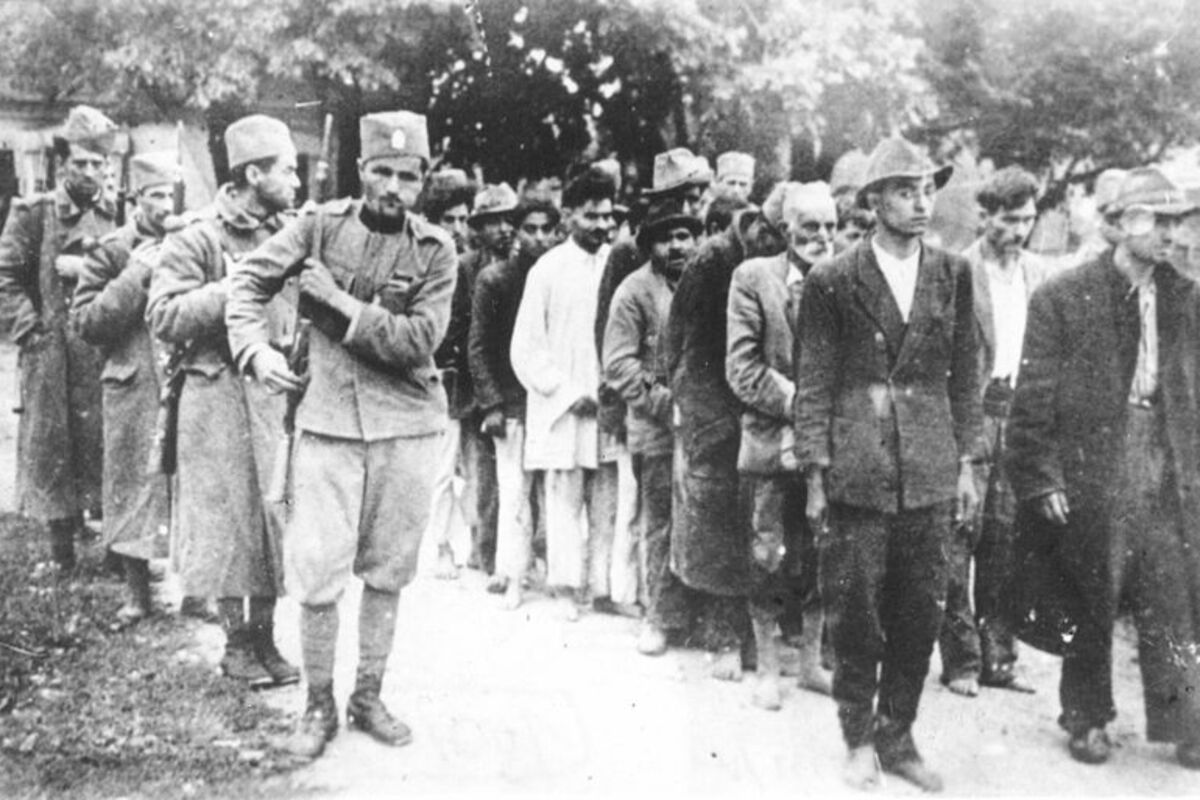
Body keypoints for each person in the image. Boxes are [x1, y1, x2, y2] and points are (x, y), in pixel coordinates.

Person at [226, 110, 456, 758]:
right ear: (360, 171)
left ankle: (368, 696)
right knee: (319, 572)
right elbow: (246, 283)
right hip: (327, 424)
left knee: (388, 571)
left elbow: (417, 340)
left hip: (406, 427)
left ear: (422, 180)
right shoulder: (318, 226)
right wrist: (254, 350)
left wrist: (336, 301)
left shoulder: (436, 250)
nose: (393, 188)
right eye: (381, 172)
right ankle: (318, 703)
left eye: (407, 177)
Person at [794, 136, 981, 792]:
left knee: (919, 613)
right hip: (859, 469)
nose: (921, 202)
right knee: (856, 614)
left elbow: (966, 377)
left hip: (928, 469)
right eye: (905, 191)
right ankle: (857, 740)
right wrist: (815, 473)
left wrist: (965, 465)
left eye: (927, 189)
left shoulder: (953, 273)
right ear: (874, 202)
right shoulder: (833, 279)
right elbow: (814, 381)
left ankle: (898, 737)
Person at [1006, 167, 1200, 771]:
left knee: (1172, 593)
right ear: (1120, 224)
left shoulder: (1185, 297)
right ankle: (1086, 716)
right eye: (1156, 220)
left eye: (1176, 221)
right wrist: (1042, 476)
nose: (1170, 233)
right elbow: (1032, 400)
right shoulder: (1065, 298)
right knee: (1093, 590)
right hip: (1093, 467)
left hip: (1164, 462)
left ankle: (1186, 723)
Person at [147, 114, 300, 689]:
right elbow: (163, 316)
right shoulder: (197, 237)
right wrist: (231, 287)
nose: (296, 182)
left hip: (270, 394)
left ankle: (265, 637)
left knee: (272, 519)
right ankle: (237, 644)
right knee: (230, 524)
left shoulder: (287, 233)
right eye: (287, 170)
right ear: (253, 174)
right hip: (215, 396)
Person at [665, 184, 786, 682]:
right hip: (712, 408)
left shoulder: (781, 263)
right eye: (777, 237)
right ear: (760, 225)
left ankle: (755, 637)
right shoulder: (712, 260)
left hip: (759, 408)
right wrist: (708, 418)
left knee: (759, 524)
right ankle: (719, 636)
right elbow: (682, 346)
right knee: (713, 522)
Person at [936, 166, 1050, 699]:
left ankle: (999, 658)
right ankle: (960, 660)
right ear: (985, 217)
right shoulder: (957, 272)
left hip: (1019, 416)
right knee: (959, 534)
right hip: (970, 413)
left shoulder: (1038, 274)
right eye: (1009, 220)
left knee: (1008, 539)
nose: (1020, 230)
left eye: (1028, 219)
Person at [726, 182, 836, 710]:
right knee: (766, 554)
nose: (822, 237)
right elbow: (742, 369)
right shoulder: (753, 279)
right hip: (770, 445)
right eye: (811, 226)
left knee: (822, 554)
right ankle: (768, 668)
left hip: (829, 451)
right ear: (786, 229)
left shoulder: (847, 279)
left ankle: (811, 664)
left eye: (831, 226)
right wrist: (805, 405)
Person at [0, 105, 117, 570]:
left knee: (106, 442)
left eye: (97, 164)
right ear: (63, 164)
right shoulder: (35, 213)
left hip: (103, 348)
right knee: (52, 443)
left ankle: (116, 549)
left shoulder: (118, 216)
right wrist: (31, 329)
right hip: (51, 350)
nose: (88, 172)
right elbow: (5, 276)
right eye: (80, 163)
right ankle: (61, 551)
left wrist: (86, 270)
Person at [71, 151, 178, 624]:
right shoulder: (112, 250)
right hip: (133, 383)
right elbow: (86, 322)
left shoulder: (186, 240)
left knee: (184, 482)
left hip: (178, 379)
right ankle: (137, 594)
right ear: (135, 200)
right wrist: (135, 274)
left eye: (170, 195)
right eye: (155, 196)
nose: (165, 206)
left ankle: (196, 592)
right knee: (131, 484)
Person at [510, 166, 617, 621]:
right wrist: (568, 392)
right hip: (565, 407)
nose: (601, 225)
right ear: (570, 215)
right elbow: (526, 347)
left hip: (609, 402)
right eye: (591, 216)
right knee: (564, 497)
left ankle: (604, 587)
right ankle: (567, 587)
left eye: (607, 216)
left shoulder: (617, 263)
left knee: (608, 499)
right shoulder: (547, 270)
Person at [602, 195, 700, 654]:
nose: (677, 246)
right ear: (649, 245)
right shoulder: (634, 291)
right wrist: (665, 403)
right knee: (660, 522)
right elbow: (618, 364)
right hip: (656, 429)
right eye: (665, 239)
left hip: (703, 428)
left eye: (684, 236)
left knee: (700, 520)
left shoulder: (706, 284)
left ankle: (700, 617)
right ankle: (660, 617)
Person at [472, 192, 561, 610]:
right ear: (517, 231)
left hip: (552, 401)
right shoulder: (496, 280)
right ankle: (511, 574)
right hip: (511, 403)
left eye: (547, 229)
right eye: (531, 229)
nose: (539, 237)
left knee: (554, 493)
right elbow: (479, 347)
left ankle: (549, 568)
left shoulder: (561, 276)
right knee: (512, 492)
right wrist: (491, 404)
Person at [460, 183, 518, 578]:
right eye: (493, 222)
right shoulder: (466, 268)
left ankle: (513, 551)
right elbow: (460, 330)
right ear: (478, 228)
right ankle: (484, 549)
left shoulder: (521, 265)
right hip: (475, 385)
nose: (503, 229)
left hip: (512, 379)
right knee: (482, 474)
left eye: (507, 220)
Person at [423, 168, 476, 578]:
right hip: (432, 377)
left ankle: (470, 542)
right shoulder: (423, 264)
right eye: (449, 219)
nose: (457, 228)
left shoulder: (470, 267)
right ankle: (439, 545)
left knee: (472, 470)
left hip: (466, 381)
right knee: (440, 470)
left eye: (463, 219)